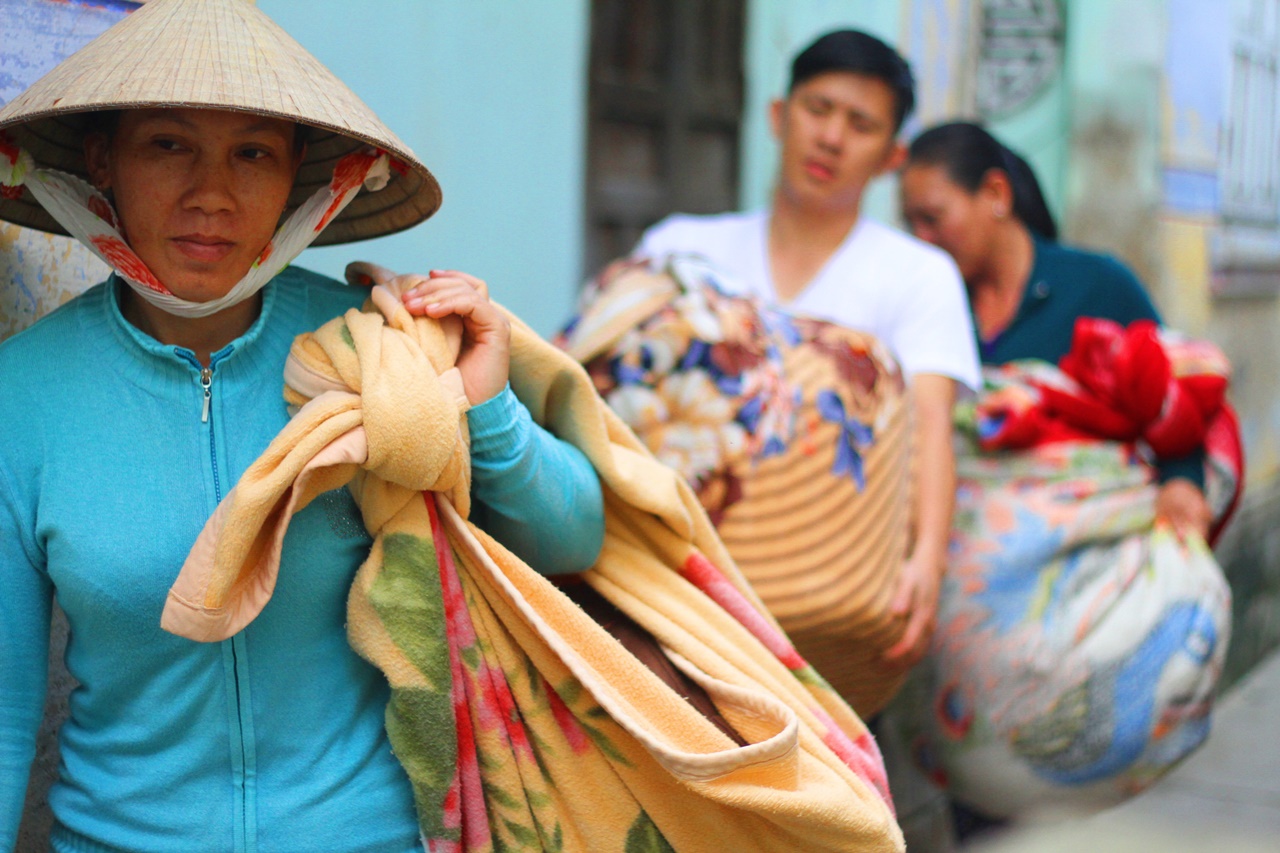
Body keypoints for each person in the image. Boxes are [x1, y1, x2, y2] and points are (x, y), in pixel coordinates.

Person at [0, 1, 604, 850]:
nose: (211, 194)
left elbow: (573, 536)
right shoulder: (22, 395)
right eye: (168, 144)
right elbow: (3, 715)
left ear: (302, 179)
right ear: (102, 159)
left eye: (252, 153)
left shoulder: (371, 345)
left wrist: (481, 401)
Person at [635, 29, 980, 672]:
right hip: (675, 589)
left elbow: (930, 426)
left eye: (861, 124)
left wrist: (926, 557)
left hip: (827, 605)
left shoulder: (920, 275)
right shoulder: (679, 250)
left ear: (891, 157)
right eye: (817, 109)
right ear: (778, 115)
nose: (831, 137)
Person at [898, 120, 1211, 536]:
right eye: (911, 224)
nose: (923, 239)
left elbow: (1170, 404)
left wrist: (1182, 482)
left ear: (995, 194)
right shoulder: (924, 305)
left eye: (933, 218)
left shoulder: (1099, 286)